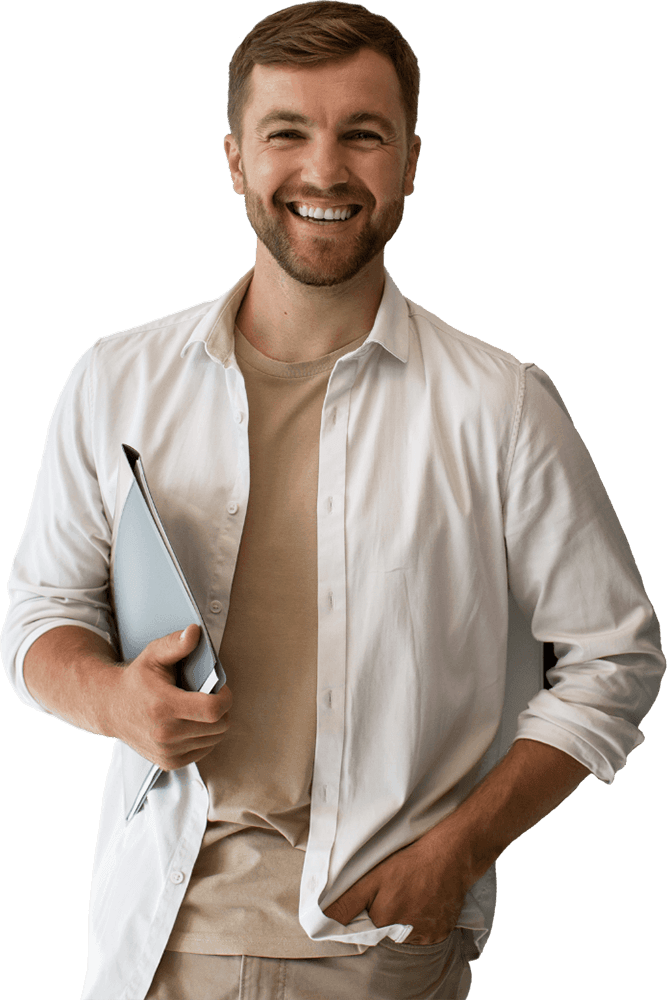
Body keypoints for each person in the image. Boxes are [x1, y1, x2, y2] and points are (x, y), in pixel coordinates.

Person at [2, 2, 664, 998]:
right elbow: (39, 619)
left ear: (407, 160)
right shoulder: (115, 378)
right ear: (233, 158)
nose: (324, 171)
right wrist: (113, 700)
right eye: (286, 134)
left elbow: (614, 658)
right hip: (152, 944)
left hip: (380, 949)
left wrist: (461, 849)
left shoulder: (499, 405)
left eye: (362, 134)